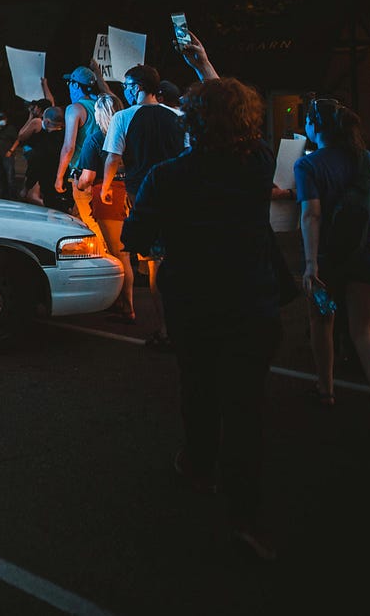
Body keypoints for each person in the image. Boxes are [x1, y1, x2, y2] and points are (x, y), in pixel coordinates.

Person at [121, 77, 282, 562]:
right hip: (253, 299)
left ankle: (199, 465)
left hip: (194, 299)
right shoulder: (258, 166)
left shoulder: (168, 177)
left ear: (189, 122)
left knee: (199, 387)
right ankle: (246, 515)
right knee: (246, 406)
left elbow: (137, 237)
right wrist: (206, 65)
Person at [295, 97, 370, 425]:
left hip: (327, 257)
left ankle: (326, 390)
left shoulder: (308, 165)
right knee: (365, 332)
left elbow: (311, 215)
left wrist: (310, 264)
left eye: (306, 119)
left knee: (322, 323)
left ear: (316, 126)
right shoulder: (367, 160)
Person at [102, 64, 185, 351]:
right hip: (179, 196)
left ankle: (166, 329)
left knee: (155, 263)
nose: (124, 90)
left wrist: (105, 189)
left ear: (137, 87)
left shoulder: (122, 117)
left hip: (144, 197)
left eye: (126, 85)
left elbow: (113, 157)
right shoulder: (178, 116)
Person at [75, 94, 134, 320]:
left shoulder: (97, 138)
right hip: (132, 191)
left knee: (119, 254)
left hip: (108, 195)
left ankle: (126, 305)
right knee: (134, 252)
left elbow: (87, 178)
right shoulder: (130, 134)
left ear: (98, 114)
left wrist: (79, 183)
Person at [55, 63, 115, 241]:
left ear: (75, 85)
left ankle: (107, 262)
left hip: (83, 176)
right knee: (95, 219)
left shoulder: (75, 109)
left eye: (70, 84)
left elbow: (69, 147)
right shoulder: (103, 106)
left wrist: (59, 176)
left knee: (93, 225)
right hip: (106, 174)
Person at [25, 107, 71, 211]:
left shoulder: (44, 141)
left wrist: (27, 186)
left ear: (47, 121)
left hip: (49, 184)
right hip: (68, 183)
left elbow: (35, 165)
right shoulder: (68, 138)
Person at [0, 111, 17, 199]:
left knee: (10, 177)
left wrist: (11, 151)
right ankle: (4, 195)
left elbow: (17, 140)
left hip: (7, 156)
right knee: (0, 176)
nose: (1, 121)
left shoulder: (10, 129)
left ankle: (12, 196)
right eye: (0, 119)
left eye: (3, 119)